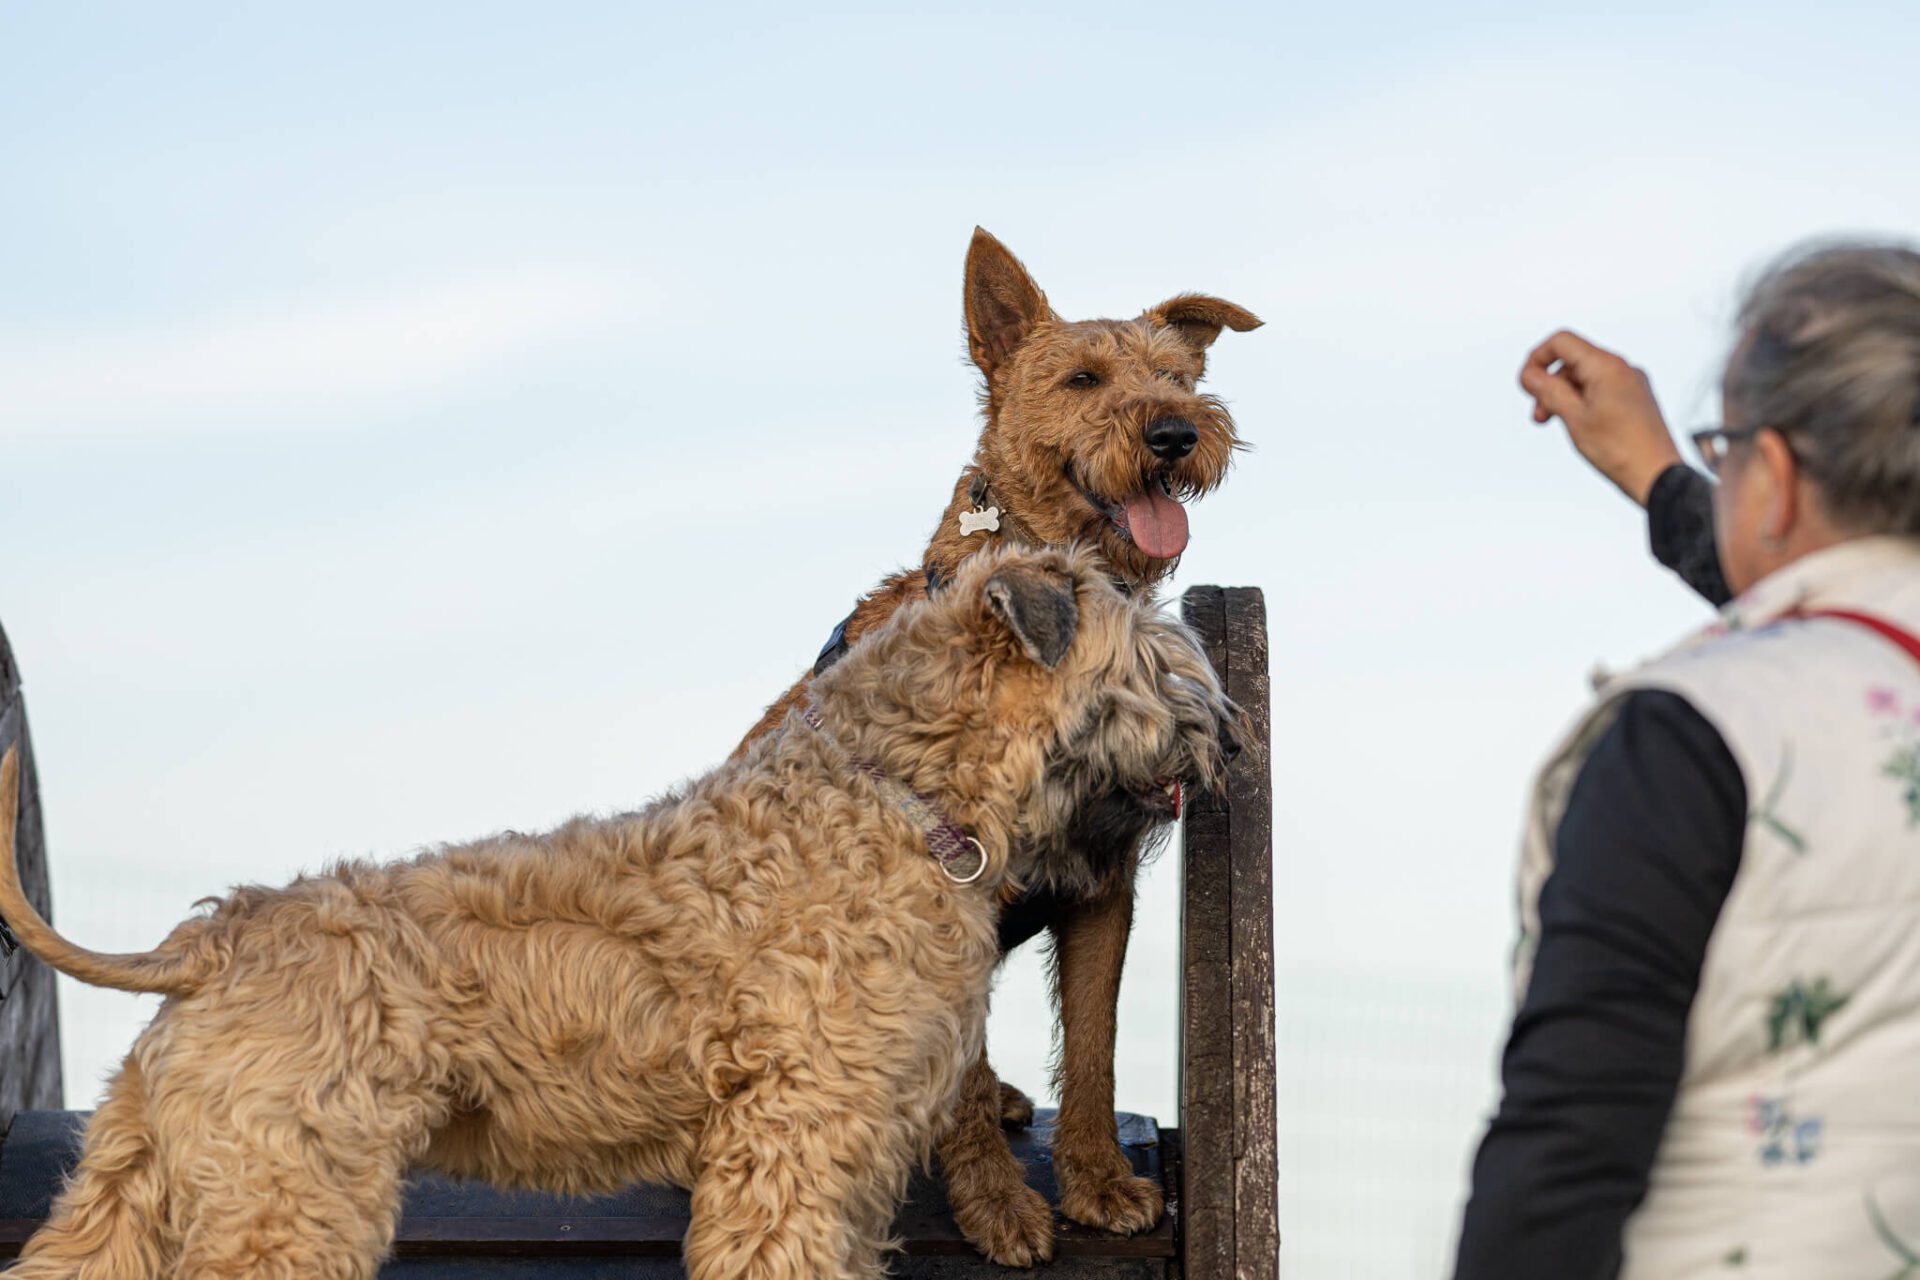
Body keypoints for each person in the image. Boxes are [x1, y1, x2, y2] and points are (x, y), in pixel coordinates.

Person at [1452, 241, 1920, 1278]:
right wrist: (1667, 477)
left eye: (1731, 449)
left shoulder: (1693, 731)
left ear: (1781, 475)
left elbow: (1567, 1143)